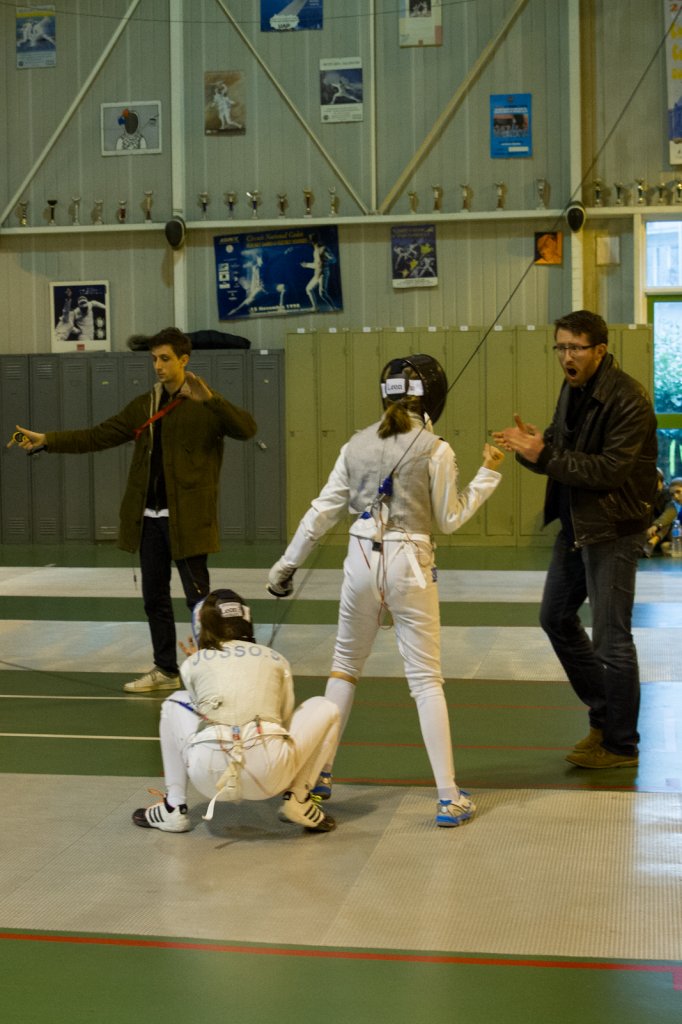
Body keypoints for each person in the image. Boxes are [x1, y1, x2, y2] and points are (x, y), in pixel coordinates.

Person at [267, 354, 504, 828]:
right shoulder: (436, 448)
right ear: (432, 396)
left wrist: (286, 565)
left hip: (360, 558)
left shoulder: (356, 444)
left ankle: (319, 773)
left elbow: (322, 512)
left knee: (345, 667)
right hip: (409, 562)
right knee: (425, 680)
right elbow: (449, 519)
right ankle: (448, 797)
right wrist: (488, 475)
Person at [7, 327, 257, 693]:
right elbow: (99, 435)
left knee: (199, 602)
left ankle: (212, 672)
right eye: (154, 359)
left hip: (188, 522)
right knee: (154, 599)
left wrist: (212, 399)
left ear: (184, 360)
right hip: (149, 521)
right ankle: (166, 669)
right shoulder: (145, 405)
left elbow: (247, 429)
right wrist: (48, 440)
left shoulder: (206, 405)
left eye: (165, 359)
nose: (158, 366)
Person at [493, 309, 657, 769]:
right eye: (560, 347)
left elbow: (609, 471)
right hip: (576, 525)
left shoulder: (629, 399)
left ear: (599, 351)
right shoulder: (573, 389)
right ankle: (604, 716)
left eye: (575, 348)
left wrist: (544, 454)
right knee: (555, 617)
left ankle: (621, 745)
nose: (566, 356)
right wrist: (532, 447)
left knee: (612, 640)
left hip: (613, 530)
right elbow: (558, 449)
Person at [132, 589, 339, 834]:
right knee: (327, 707)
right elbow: (284, 720)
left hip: (208, 776)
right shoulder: (277, 659)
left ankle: (173, 807)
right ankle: (299, 800)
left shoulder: (193, 663)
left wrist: (203, 664)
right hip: (269, 775)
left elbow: (200, 714)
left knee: (174, 702)